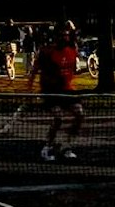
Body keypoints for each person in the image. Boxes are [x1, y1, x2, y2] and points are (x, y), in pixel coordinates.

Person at [28, 22, 84, 161]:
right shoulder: (47, 52)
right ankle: (47, 147)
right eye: (61, 36)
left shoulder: (72, 49)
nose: (64, 38)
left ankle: (67, 146)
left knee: (79, 114)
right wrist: (30, 88)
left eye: (66, 35)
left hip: (66, 90)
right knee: (58, 118)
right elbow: (35, 70)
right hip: (50, 91)